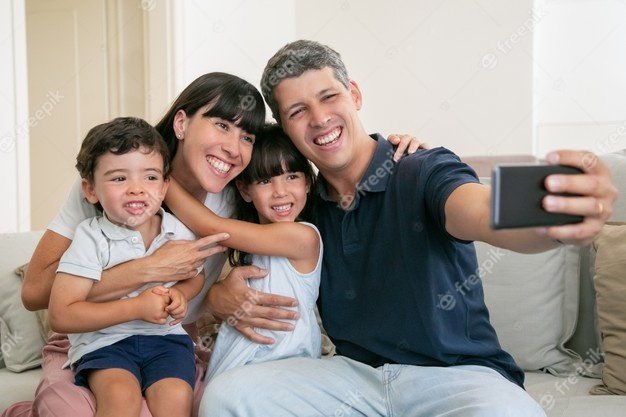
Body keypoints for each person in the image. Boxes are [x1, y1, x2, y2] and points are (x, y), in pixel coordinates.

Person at [200, 40, 619, 416]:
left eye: (329, 97)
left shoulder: (421, 169)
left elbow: (480, 209)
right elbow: (234, 246)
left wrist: (554, 218)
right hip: (351, 379)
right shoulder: (298, 204)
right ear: (286, 129)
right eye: (298, 112)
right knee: (228, 396)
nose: (320, 118)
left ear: (355, 95)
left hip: (456, 378)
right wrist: (219, 296)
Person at [5, 69, 420, 417]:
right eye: (221, 125)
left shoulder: (238, 192)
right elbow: (37, 293)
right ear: (182, 124)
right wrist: (145, 270)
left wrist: (388, 153)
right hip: (93, 337)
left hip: (168, 339)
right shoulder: (116, 181)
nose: (233, 147)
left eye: (246, 136)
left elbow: (305, 173)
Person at [48, 116, 205, 417]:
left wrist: (182, 294)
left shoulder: (177, 231)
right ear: (91, 190)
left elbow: (195, 276)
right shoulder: (91, 238)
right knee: (121, 398)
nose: (137, 189)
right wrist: (137, 308)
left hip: (166, 340)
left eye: (150, 177)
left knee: (175, 398)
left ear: (164, 187)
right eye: (119, 178)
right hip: (105, 343)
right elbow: (61, 314)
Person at [164, 123, 322, 389]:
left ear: (307, 182)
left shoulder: (304, 237)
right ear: (245, 190)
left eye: (292, 176)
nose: (280, 191)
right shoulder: (249, 247)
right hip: (236, 367)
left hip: (287, 366)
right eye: (264, 181)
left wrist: (161, 177)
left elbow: (211, 227)